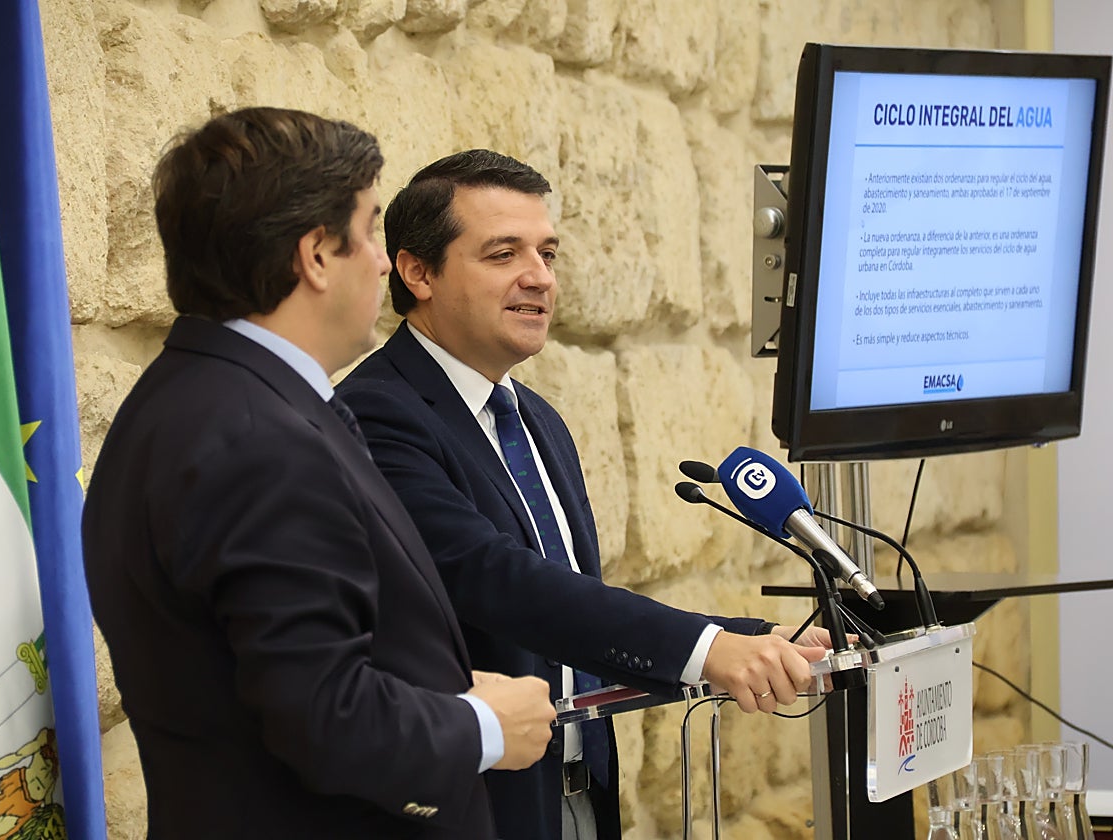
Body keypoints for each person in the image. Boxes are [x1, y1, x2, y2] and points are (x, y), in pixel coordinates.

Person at [82, 111, 556, 839]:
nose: (380, 264)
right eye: (366, 232)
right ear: (314, 256)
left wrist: (444, 690)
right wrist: (482, 726)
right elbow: (323, 714)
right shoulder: (257, 440)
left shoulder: (196, 396)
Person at [337, 149, 835, 840]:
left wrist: (748, 640)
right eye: (503, 254)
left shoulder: (537, 419)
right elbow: (495, 580)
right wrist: (706, 648)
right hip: (476, 809)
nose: (540, 277)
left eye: (546, 253)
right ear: (418, 272)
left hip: (577, 795)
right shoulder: (376, 414)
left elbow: (574, 606)